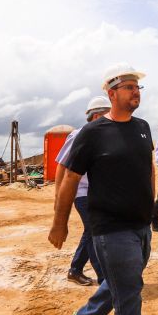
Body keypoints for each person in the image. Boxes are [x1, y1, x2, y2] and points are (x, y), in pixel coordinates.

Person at [49, 62, 155, 315]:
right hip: (110, 228)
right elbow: (69, 177)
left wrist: (152, 209)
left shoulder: (143, 128)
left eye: (138, 87)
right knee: (130, 295)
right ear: (112, 93)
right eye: (129, 87)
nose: (136, 92)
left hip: (141, 225)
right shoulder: (92, 133)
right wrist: (60, 222)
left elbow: (148, 169)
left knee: (125, 284)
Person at [53, 95, 111, 287]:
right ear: (96, 117)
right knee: (95, 231)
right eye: (107, 115)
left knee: (91, 231)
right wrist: (58, 197)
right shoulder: (78, 135)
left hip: (99, 193)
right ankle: (104, 279)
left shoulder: (106, 136)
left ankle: (75, 270)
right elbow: (62, 166)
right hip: (81, 193)